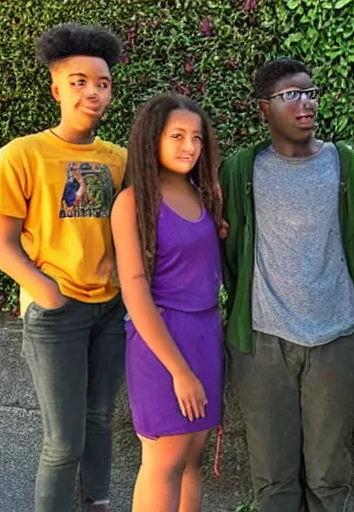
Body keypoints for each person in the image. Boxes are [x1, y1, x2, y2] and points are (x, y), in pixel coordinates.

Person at [219, 57, 354, 511]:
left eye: (310, 92)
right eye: (291, 95)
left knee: (330, 476)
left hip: (335, 336)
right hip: (262, 340)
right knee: (273, 478)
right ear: (263, 110)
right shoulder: (241, 170)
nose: (305, 103)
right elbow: (211, 237)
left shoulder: (345, 163)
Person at [0, 24, 127, 512]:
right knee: (63, 442)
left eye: (103, 83)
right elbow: (4, 246)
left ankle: (98, 504)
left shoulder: (119, 160)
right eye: (80, 81)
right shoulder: (21, 154)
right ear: (57, 88)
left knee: (100, 421)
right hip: (56, 316)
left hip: (110, 311)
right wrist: (47, 293)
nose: (93, 91)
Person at [110, 94, 224, 512]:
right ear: (151, 139)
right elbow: (135, 291)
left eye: (196, 137)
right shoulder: (133, 202)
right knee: (164, 460)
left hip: (207, 333)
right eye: (176, 136)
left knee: (192, 459)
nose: (189, 147)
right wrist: (179, 371)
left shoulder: (205, 195)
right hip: (161, 340)